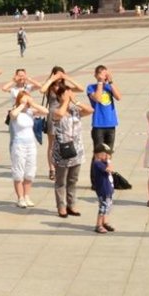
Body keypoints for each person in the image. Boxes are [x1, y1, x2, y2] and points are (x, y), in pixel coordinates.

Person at [52, 86, 93, 218]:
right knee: (61, 181)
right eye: (66, 94)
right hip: (62, 151)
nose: (69, 96)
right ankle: (61, 206)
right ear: (59, 96)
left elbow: (90, 110)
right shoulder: (55, 110)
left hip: (77, 150)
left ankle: (71, 204)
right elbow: (59, 114)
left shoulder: (75, 110)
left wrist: (76, 101)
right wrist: (64, 101)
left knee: (73, 180)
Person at [40, 67, 85, 180]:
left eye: (61, 75)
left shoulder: (65, 88)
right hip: (53, 116)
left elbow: (81, 88)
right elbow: (42, 89)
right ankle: (52, 169)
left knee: (64, 141)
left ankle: (62, 164)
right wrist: (51, 79)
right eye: (57, 75)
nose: (59, 78)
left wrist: (67, 78)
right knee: (52, 144)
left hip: (65, 116)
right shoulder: (50, 87)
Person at [8, 92, 47, 208]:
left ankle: (27, 196)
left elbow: (46, 111)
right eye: (25, 100)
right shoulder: (15, 112)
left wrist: (32, 103)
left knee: (30, 171)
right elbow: (13, 114)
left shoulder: (31, 112)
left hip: (31, 144)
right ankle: (20, 197)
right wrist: (21, 104)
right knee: (18, 172)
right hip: (19, 144)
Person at [86, 65, 122, 187]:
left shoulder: (109, 87)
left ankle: (106, 176)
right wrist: (100, 83)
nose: (104, 76)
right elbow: (98, 98)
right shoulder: (91, 87)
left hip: (111, 124)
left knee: (108, 153)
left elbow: (119, 97)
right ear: (96, 75)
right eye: (101, 74)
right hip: (98, 125)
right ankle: (95, 181)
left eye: (105, 74)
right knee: (98, 153)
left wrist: (110, 82)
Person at [92, 144, 115, 234]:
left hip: (108, 188)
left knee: (108, 207)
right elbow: (110, 169)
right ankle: (98, 225)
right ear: (98, 154)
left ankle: (104, 222)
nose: (108, 156)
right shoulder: (97, 163)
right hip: (103, 189)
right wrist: (109, 161)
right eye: (106, 154)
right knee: (103, 207)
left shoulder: (103, 162)